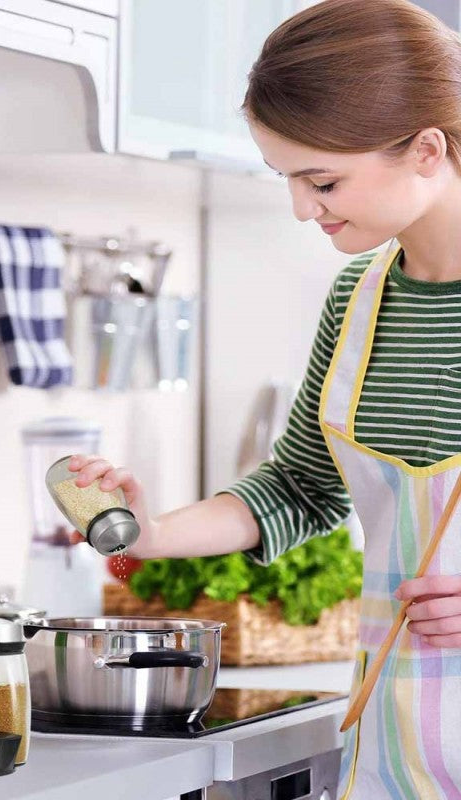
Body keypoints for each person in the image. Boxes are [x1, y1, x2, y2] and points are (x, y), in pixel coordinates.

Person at [70, 1, 461, 797]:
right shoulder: (358, 298)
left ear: (427, 150)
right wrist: (151, 532)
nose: (302, 208)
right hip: (395, 757)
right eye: (288, 179)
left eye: (323, 180)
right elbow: (298, 489)